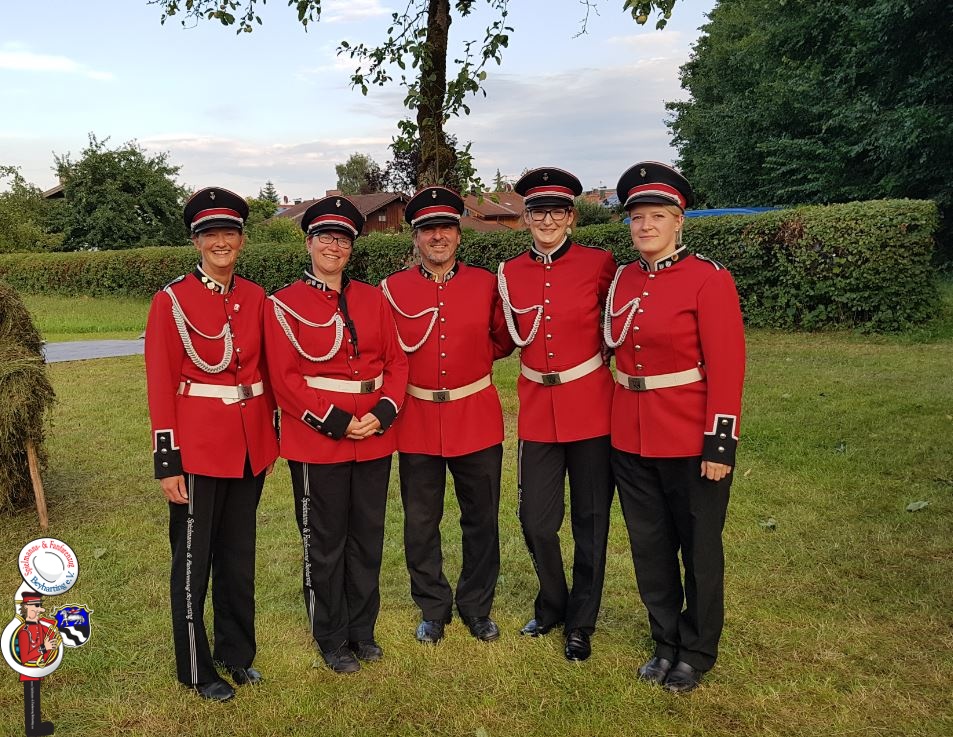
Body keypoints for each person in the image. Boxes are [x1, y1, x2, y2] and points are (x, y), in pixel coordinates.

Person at [607, 161, 745, 692]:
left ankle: (697, 651)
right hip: (631, 435)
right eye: (637, 217)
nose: (645, 226)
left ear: (679, 220)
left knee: (699, 549)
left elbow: (728, 367)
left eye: (657, 216)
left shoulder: (709, 278)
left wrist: (720, 444)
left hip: (690, 437)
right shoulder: (622, 279)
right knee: (650, 547)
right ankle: (664, 641)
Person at [145, 187, 279, 702]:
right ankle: (197, 668)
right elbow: (160, 382)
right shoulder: (171, 300)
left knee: (238, 558)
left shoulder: (256, 297)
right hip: (198, 450)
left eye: (229, 233)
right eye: (210, 234)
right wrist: (167, 461)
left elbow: (266, 372)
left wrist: (268, 440)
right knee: (192, 564)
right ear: (196, 242)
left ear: (241, 240)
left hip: (248, 447)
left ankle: (236, 655)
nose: (221, 242)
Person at [264, 195, 408, 674]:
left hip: (373, 435)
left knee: (367, 537)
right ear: (308, 243)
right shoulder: (282, 304)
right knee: (324, 543)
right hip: (318, 440)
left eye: (343, 239)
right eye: (325, 237)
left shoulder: (373, 298)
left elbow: (396, 363)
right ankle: (330, 636)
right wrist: (336, 421)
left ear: (352, 247)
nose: (334, 246)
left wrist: (383, 412)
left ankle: (362, 630)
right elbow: (285, 379)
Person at [380, 186, 513, 645]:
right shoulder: (392, 290)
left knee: (481, 519)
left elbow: (502, 340)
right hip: (416, 419)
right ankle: (433, 607)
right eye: (428, 230)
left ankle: (476, 606)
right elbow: (387, 352)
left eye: (446, 228)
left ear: (458, 234)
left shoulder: (486, 284)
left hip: (475, 416)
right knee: (420, 522)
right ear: (415, 237)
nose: (438, 236)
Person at [498, 167, 616, 661]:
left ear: (571, 217)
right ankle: (552, 603)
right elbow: (500, 336)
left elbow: (619, 324)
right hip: (537, 411)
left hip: (591, 407)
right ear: (525, 218)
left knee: (591, 522)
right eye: (538, 212)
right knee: (536, 521)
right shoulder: (509, 273)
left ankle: (580, 622)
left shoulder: (600, 263)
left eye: (557, 211)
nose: (547, 220)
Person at [16, 591, 57, 737]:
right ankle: (32, 729)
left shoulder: (39, 626)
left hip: (38, 669)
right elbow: (25, 658)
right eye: (37, 606)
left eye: (40, 606)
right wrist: (44, 648)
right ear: (26, 607)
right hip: (29, 670)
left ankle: (36, 726)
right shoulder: (24, 632)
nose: (40, 610)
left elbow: (52, 629)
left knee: (35, 697)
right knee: (32, 697)